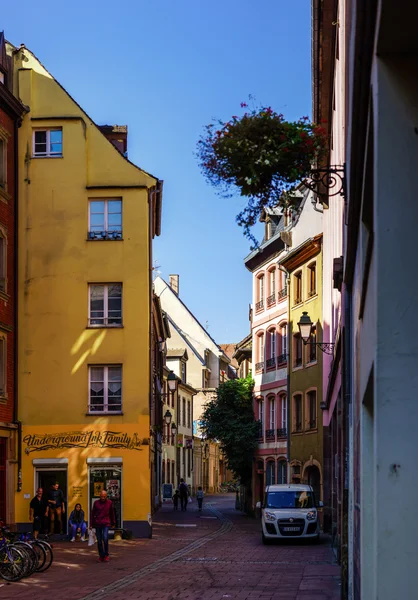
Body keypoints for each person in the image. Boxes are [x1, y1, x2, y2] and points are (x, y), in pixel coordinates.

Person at [91, 490, 115, 562]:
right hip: (98, 523)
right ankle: (101, 555)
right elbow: (93, 513)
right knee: (99, 541)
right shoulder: (96, 503)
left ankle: (106, 555)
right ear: (99, 496)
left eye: (104, 496)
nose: (103, 498)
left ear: (106, 496)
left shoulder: (109, 503)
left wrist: (113, 522)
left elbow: (112, 513)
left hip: (106, 523)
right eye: (101, 496)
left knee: (105, 538)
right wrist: (91, 524)